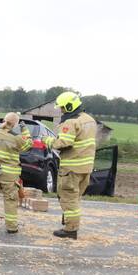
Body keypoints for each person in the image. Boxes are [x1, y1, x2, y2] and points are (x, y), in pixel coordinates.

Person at [43, 91, 97, 240]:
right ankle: (68, 220)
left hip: (72, 168)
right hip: (86, 167)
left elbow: (64, 143)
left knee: (68, 198)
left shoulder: (71, 122)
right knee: (75, 197)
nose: (61, 111)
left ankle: (70, 229)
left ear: (69, 106)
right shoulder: (89, 120)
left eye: (62, 108)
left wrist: (47, 141)